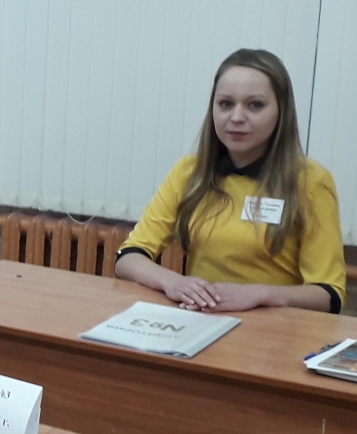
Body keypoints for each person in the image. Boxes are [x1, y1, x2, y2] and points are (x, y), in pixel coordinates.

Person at [115, 48, 346, 314]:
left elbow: (330, 295)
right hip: (201, 320)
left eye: (255, 105)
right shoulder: (189, 171)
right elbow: (128, 257)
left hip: (274, 327)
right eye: (226, 104)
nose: (236, 117)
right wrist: (173, 282)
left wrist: (261, 294)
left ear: (281, 111)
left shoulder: (311, 182)